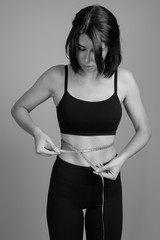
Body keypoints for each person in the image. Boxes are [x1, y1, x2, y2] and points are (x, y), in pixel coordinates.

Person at [11, 4, 151, 240]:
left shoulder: (124, 80)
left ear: (111, 46)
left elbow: (144, 130)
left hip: (107, 184)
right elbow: (19, 108)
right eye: (81, 48)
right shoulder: (57, 76)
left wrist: (121, 160)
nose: (87, 59)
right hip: (65, 183)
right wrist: (36, 132)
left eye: (97, 50)